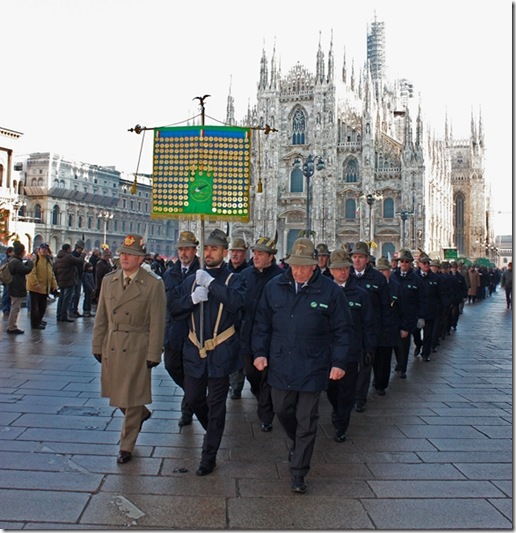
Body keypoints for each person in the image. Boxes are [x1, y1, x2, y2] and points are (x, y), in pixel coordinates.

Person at [252, 238, 352, 494]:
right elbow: (262, 323)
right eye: (294, 266)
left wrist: (338, 362)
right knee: (282, 409)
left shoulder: (330, 291)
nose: (298, 271)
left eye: (303, 266)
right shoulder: (275, 287)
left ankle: (299, 471)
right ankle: (299, 442)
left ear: (314, 267)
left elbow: (342, 330)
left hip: (313, 364)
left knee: (307, 419)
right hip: (280, 362)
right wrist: (260, 353)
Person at [170, 228, 246, 476]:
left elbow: (236, 303)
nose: (209, 253)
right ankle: (213, 430)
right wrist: (191, 299)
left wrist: (212, 284)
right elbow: (173, 308)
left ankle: (208, 456)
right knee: (193, 398)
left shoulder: (234, 279)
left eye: (214, 249)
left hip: (221, 352)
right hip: (194, 351)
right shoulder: (192, 279)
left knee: (216, 404)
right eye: (207, 248)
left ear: (224, 252)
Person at [92, 234, 166, 464]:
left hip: (137, 345)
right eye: (123, 253)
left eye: (130, 254)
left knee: (132, 396)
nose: (124, 257)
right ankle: (142, 414)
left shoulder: (153, 284)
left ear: (141, 259)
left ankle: (126, 445)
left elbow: (157, 322)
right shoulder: (109, 280)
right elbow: (101, 316)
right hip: (113, 344)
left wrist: (154, 352)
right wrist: (97, 344)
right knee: (117, 393)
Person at [327, 249, 374, 442]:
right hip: (328, 351)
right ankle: (337, 409)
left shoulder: (360, 294)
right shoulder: (323, 292)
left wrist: (368, 349)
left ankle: (341, 424)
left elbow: (369, 323)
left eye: (345, 268)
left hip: (351, 351)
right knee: (331, 389)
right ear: (331, 271)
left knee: (347, 391)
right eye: (338, 269)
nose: (342, 272)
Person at [238, 235, 283, 430]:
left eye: (260, 253)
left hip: (272, 333)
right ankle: (262, 397)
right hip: (249, 332)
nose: (255, 256)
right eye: (255, 253)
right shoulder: (246, 275)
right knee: (251, 373)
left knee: (268, 375)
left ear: (271, 256)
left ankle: (266, 415)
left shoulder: (280, 277)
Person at [163, 230, 200, 427]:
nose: (183, 253)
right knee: (171, 366)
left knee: (192, 370)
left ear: (195, 250)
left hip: (194, 332)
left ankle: (187, 410)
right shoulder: (170, 273)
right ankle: (191, 392)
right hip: (174, 331)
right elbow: (166, 304)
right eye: (181, 249)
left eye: (187, 249)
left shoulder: (202, 272)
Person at [350, 241, 390, 412]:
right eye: (354, 257)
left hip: (368, 329)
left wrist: (382, 331)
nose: (357, 260)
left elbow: (385, 306)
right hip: (348, 329)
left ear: (367, 259)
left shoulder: (378, 278)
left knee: (365, 365)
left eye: (360, 257)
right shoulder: (345, 275)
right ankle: (348, 395)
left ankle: (360, 398)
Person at [391, 248, 424, 378]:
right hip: (394, 316)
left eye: (406, 261)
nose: (404, 264)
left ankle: (403, 368)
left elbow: (421, 300)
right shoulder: (393, 277)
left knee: (404, 344)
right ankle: (399, 363)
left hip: (408, 316)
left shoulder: (416, 280)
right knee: (395, 344)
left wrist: (420, 317)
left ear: (410, 263)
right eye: (402, 261)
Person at [372, 257, 401, 395]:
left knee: (385, 358)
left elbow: (402, 308)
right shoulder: (374, 285)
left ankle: (382, 384)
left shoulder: (396, 286)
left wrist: (404, 326)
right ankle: (376, 380)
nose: (382, 273)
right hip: (376, 326)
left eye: (385, 270)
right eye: (380, 270)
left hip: (390, 327)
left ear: (390, 271)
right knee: (376, 358)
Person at [227, 237, 250, 399]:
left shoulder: (248, 273)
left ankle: (236, 386)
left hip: (242, 322)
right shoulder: (223, 271)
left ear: (245, 254)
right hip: (224, 321)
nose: (235, 254)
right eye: (233, 251)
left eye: (239, 252)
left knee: (238, 355)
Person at [26, 243, 58, 330]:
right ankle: (35, 324)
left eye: (46, 249)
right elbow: (32, 272)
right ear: (39, 249)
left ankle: (39, 321)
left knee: (42, 307)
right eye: (42, 248)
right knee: (35, 307)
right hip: (35, 287)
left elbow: (51, 274)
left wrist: (54, 284)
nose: (44, 250)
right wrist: (35, 283)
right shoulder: (35, 258)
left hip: (44, 287)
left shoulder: (48, 260)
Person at [6, 241, 34, 335]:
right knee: (15, 307)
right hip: (16, 287)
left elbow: (21, 269)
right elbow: (26, 270)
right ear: (21, 252)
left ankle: (12, 326)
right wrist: (30, 261)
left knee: (15, 306)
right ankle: (12, 327)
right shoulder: (16, 262)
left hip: (13, 286)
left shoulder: (13, 260)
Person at [54, 243, 86, 322]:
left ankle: (59, 315)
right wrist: (83, 254)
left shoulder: (58, 257)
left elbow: (54, 269)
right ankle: (64, 316)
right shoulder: (68, 256)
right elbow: (79, 261)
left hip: (61, 279)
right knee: (66, 299)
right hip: (69, 280)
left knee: (61, 298)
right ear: (68, 249)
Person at [70, 240, 86, 318]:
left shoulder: (79, 255)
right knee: (74, 295)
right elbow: (78, 262)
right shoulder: (73, 255)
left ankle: (75, 310)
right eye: (80, 248)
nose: (81, 250)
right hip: (74, 277)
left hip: (79, 277)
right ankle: (71, 310)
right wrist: (82, 257)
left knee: (77, 295)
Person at [1, 246, 14, 317]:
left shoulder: (10, 259)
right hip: (6, 279)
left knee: (9, 295)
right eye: (12, 252)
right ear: (9, 252)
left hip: (10, 279)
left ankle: (8, 309)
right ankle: (5, 309)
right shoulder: (5, 260)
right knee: (6, 295)